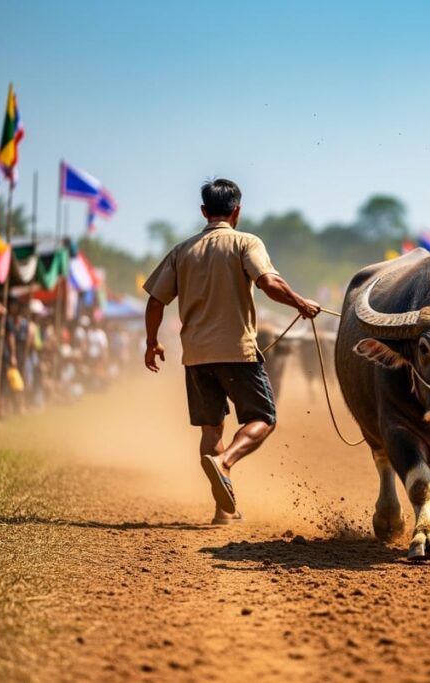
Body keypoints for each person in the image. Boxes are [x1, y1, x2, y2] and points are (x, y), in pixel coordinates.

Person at [143, 178, 320, 524]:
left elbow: (155, 300)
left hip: (195, 357)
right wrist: (300, 303)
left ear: (204, 211)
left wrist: (152, 342)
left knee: (211, 430)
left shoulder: (182, 250)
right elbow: (267, 282)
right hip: (237, 352)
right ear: (237, 211)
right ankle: (226, 463)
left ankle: (223, 511)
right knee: (264, 418)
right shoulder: (245, 242)